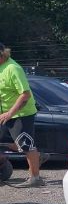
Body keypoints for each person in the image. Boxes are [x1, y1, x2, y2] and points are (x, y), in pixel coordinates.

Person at [0, 42, 44, 187]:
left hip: (21, 113)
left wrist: (9, 113)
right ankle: (35, 156)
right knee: (6, 142)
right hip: (5, 113)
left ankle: (35, 178)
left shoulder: (13, 68)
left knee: (26, 145)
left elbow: (25, 95)